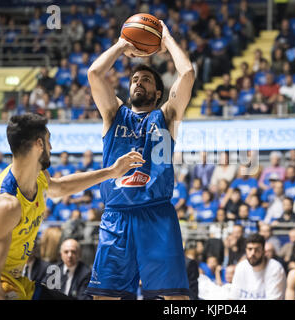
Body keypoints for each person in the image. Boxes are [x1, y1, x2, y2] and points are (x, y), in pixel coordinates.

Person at [85, 19, 195, 300]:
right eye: (134, 79)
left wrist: (166, 38)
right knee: (104, 297)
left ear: (158, 93)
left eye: (145, 79)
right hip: (116, 215)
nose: (138, 82)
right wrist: (124, 44)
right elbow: (95, 73)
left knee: (176, 299)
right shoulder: (113, 113)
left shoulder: (167, 115)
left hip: (156, 215)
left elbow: (188, 73)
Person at [0, 113, 144, 300]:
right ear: (39, 145)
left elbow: (60, 187)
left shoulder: (39, 176)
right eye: (48, 141)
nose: (51, 147)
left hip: (15, 280)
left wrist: (112, 172)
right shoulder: (7, 204)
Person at [229, 233, 286, 300]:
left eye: (257, 249)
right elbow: (233, 297)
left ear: (264, 251)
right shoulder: (241, 267)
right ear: (246, 250)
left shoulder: (275, 268)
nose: (253, 253)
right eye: (250, 249)